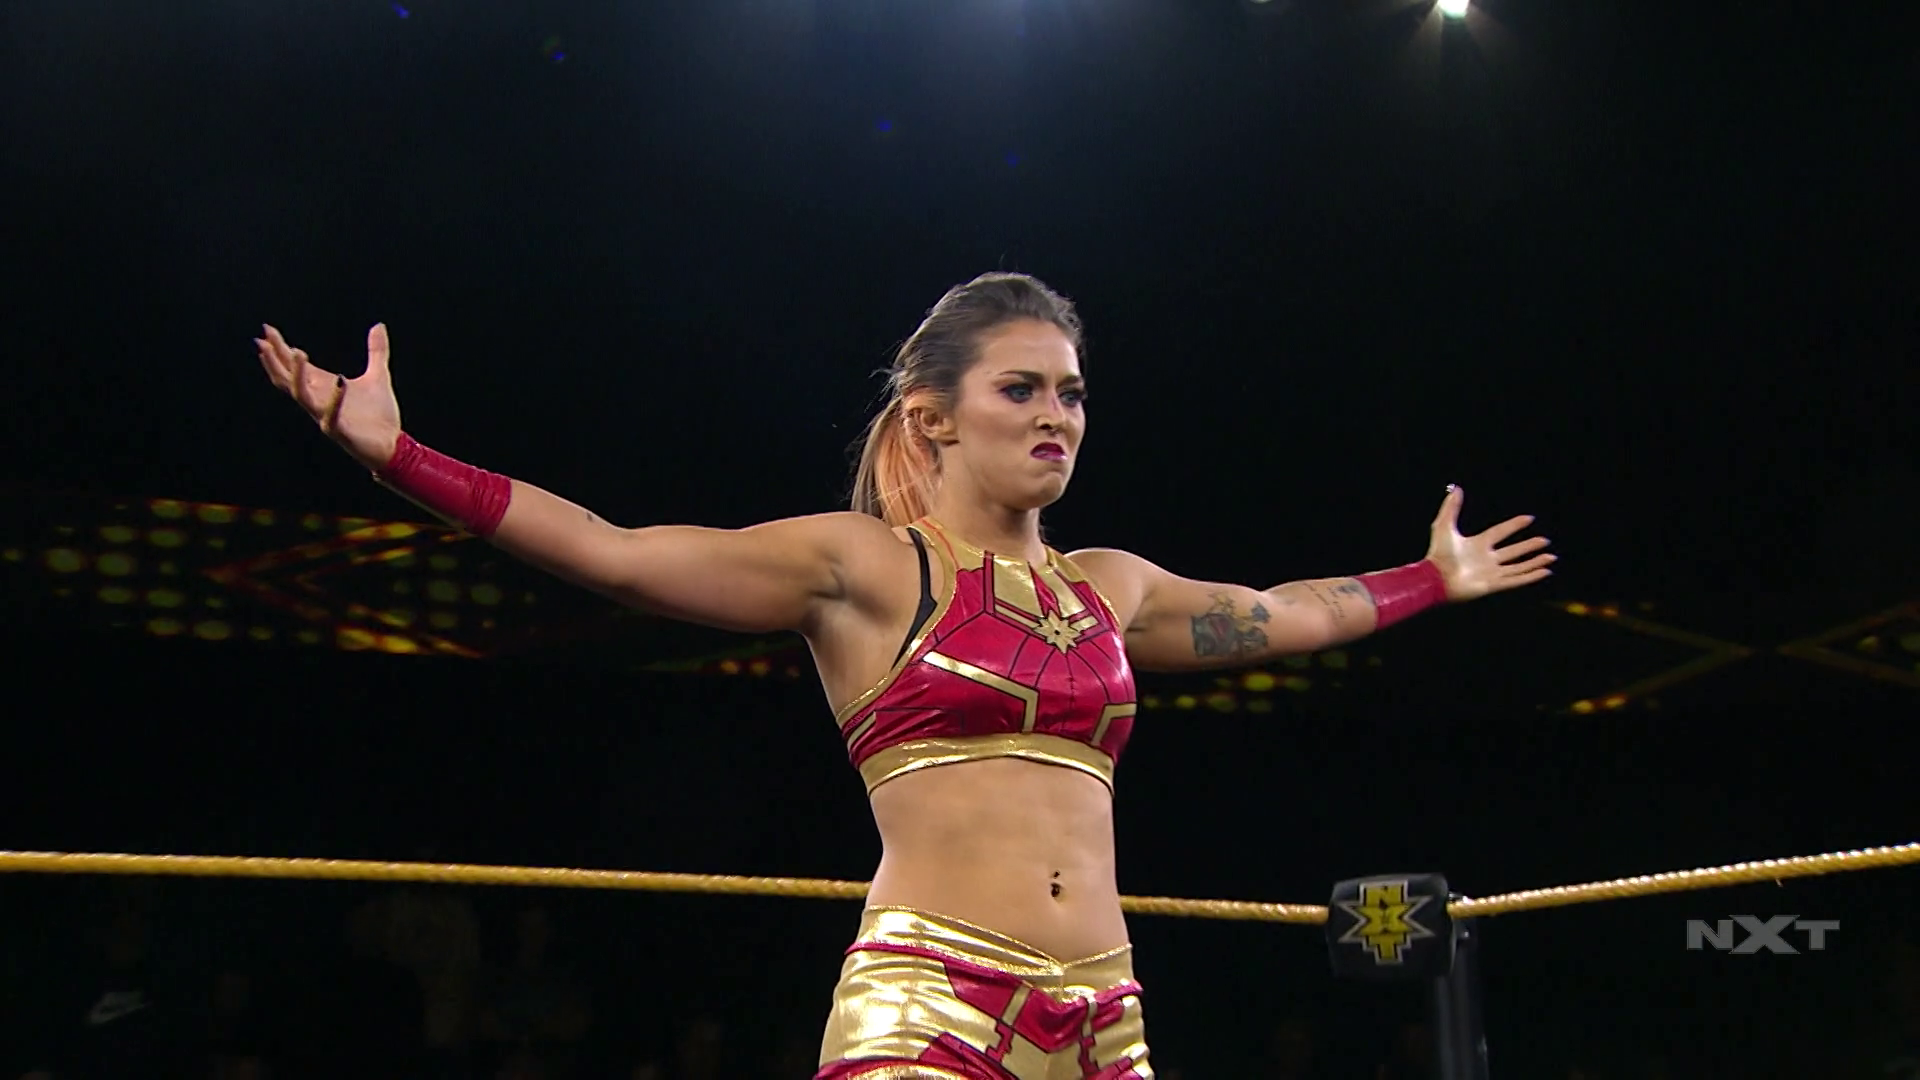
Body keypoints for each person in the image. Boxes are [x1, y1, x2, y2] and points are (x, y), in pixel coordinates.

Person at [254, 271, 1555, 1080]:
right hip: (932, 1001)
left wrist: (1429, 579)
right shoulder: (867, 570)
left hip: (1104, 1017)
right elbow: (619, 553)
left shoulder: (1110, 586)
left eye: (1073, 394)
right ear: (935, 415)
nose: (1056, 415)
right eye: (1021, 389)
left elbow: (1284, 616)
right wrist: (399, 458)